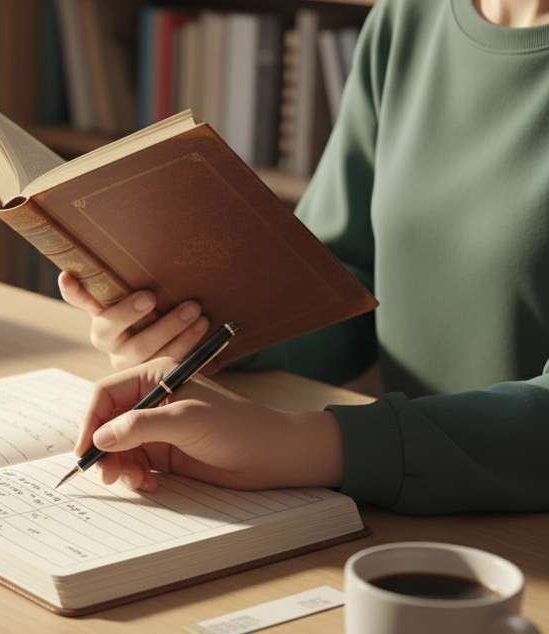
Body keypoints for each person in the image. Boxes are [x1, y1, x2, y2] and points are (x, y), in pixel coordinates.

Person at [59, 0, 549, 514]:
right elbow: (347, 286)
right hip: (408, 514)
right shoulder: (409, 16)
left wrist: (307, 443)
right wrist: (202, 333)